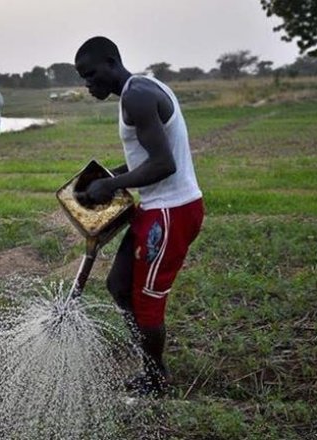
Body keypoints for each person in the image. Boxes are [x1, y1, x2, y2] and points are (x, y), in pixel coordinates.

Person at [74, 36, 204, 396]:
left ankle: (157, 377)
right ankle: (149, 363)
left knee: (147, 304)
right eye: (83, 78)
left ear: (112, 63)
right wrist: (108, 180)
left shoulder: (137, 97)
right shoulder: (139, 89)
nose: (88, 84)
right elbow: (147, 159)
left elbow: (164, 164)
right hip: (155, 206)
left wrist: (112, 184)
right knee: (118, 285)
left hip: (171, 212)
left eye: (91, 75)